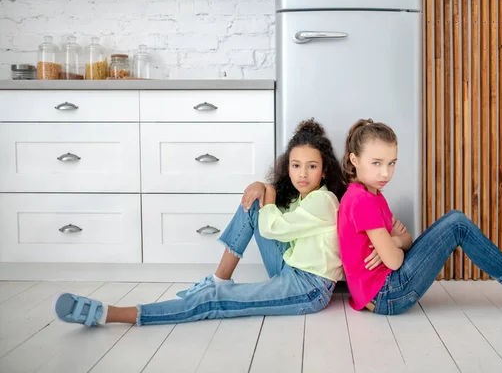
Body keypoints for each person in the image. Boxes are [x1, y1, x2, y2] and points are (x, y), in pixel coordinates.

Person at [53, 119, 346, 326]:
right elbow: (269, 220)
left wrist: (265, 187)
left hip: (308, 289)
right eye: (296, 165)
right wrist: (261, 187)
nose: (302, 173)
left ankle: (112, 314)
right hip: (290, 268)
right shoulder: (302, 197)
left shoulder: (323, 201)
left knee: (216, 303)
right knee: (256, 206)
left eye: (312, 166)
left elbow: (271, 229)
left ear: (324, 171)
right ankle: (218, 279)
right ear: (287, 167)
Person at [337, 118, 502, 320]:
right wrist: (394, 245)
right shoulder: (363, 201)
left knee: (455, 220)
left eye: (391, 163)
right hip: (388, 295)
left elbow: (406, 240)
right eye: (376, 163)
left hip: (383, 291)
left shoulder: (371, 194)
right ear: (354, 160)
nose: (386, 172)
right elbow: (394, 262)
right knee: (456, 223)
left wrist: (395, 241)